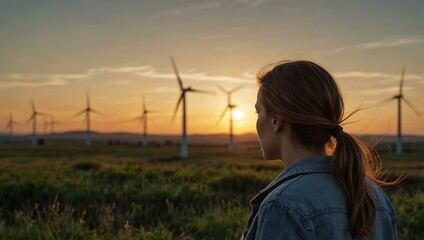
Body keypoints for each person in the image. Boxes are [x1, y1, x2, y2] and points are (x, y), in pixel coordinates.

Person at [241, 60, 402, 240]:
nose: (257, 121)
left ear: (276, 120)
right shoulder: (374, 196)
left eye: (258, 112)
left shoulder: (284, 205)